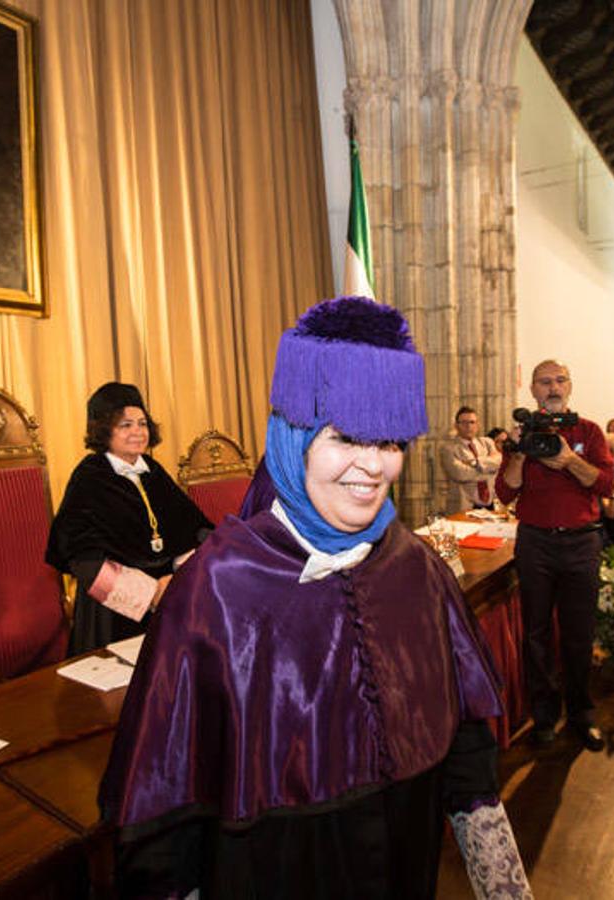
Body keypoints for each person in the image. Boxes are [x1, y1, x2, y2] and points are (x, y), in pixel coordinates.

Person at [99, 297, 529, 898]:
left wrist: (504, 887)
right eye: (347, 437)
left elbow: (467, 754)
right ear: (292, 437)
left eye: (391, 443)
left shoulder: (417, 567)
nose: (372, 467)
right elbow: (161, 816)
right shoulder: (217, 587)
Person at [497, 360, 614, 751]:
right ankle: (543, 715)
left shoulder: (590, 431)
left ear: (570, 385)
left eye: (560, 379)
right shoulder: (523, 437)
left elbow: (606, 484)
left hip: (582, 543)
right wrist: (516, 453)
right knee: (536, 633)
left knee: (580, 634)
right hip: (536, 544)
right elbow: (506, 493)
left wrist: (567, 460)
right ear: (532, 390)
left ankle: (582, 712)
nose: (553, 386)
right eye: (544, 381)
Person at [46, 383, 213, 654]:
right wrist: (149, 594)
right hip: (113, 613)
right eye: (125, 425)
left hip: (171, 599)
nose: (137, 432)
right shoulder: (89, 478)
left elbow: (194, 530)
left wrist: (180, 579)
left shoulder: (154, 472)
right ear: (104, 430)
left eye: (142, 423)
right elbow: (82, 558)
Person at [439, 405, 502, 512]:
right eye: (464, 422)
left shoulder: (487, 442)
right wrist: (489, 469)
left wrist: (475, 463)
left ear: (478, 425)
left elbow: (499, 461)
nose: (468, 426)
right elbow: (460, 474)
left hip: (491, 504)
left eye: (472, 422)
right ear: (456, 425)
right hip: (464, 505)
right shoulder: (448, 448)